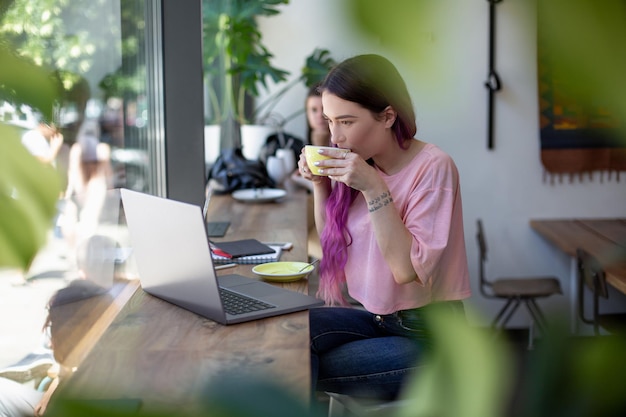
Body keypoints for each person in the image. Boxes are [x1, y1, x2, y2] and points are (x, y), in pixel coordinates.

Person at [297, 54, 472, 401]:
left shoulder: (433, 168)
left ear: (388, 116)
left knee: (299, 363)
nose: (335, 136)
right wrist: (320, 185)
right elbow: (333, 241)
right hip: (378, 319)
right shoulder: (363, 164)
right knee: (289, 335)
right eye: (330, 122)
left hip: (428, 335)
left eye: (346, 121)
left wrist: (374, 187)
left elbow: (407, 270)